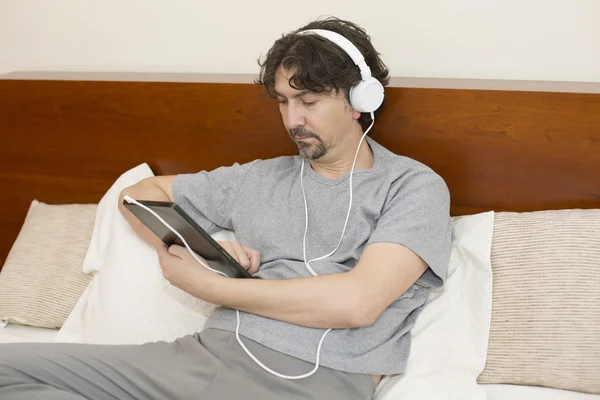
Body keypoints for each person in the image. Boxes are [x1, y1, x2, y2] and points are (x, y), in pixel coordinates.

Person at [0, 17, 452, 400]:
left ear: (360, 101)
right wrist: (202, 253)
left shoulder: (412, 187)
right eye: (283, 102)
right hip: (199, 358)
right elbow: (137, 194)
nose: (293, 120)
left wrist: (210, 287)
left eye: (309, 102)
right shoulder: (257, 179)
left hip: (312, 381)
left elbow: (358, 303)